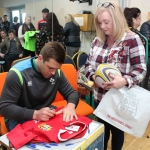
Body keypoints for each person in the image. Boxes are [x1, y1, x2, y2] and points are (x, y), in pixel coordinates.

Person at [85, 2, 146, 150]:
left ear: (117, 19)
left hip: (120, 101)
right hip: (100, 99)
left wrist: (124, 80)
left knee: (117, 135)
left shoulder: (132, 40)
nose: (103, 27)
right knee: (102, 135)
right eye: (100, 23)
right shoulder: (97, 41)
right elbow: (87, 66)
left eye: (106, 22)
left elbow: (141, 69)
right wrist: (94, 78)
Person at [0, 41, 79, 131]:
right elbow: (5, 107)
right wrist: (36, 114)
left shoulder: (57, 73)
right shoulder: (17, 73)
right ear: (40, 58)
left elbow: (72, 93)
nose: (53, 72)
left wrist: (70, 107)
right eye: (50, 68)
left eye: (57, 69)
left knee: (68, 131)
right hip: (17, 116)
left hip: (44, 112)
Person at [124, 7, 149, 90]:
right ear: (134, 19)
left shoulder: (136, 33)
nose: (140, 20)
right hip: (133, 69)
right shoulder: (134, 35)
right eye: (139, 18)